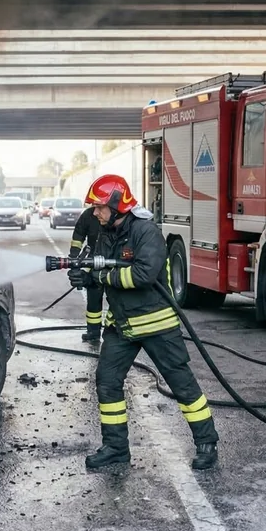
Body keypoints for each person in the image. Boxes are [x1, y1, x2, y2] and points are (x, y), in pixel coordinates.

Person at [68, 174, 219, 471]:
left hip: (156, 325)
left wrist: (98, 276)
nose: (94, 213)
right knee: (107, 383)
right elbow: (101, 271)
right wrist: (85, 278)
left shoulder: (146, 232)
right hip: (121, 326)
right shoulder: (105, 234)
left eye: (99, 207)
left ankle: (207, 442)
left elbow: (142, 275)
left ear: (117, 204)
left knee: (182, 385)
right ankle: (115, 448)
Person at [69, 202, 105, 342]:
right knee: (93, 298)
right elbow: (78, 235)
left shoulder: (113, 218)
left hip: (113, 263)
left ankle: (118, 332)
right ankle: (93, 331)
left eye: (99, 207)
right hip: (93, 262)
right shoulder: (88, 215)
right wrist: (73, 257)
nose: (96, 211)